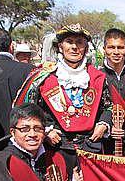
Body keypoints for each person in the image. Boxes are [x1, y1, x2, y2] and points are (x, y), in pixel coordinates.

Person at [14, 24, 112, 158]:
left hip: (91, 146)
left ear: (86, 48)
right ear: (60, 46)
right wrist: (45, 130)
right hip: (56, 147)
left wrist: (103, 124)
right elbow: (26, 110)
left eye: (79, 43)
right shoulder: (43, 77)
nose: (74, 47)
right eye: (69, 42)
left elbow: (109, 107)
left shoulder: (97, 77)